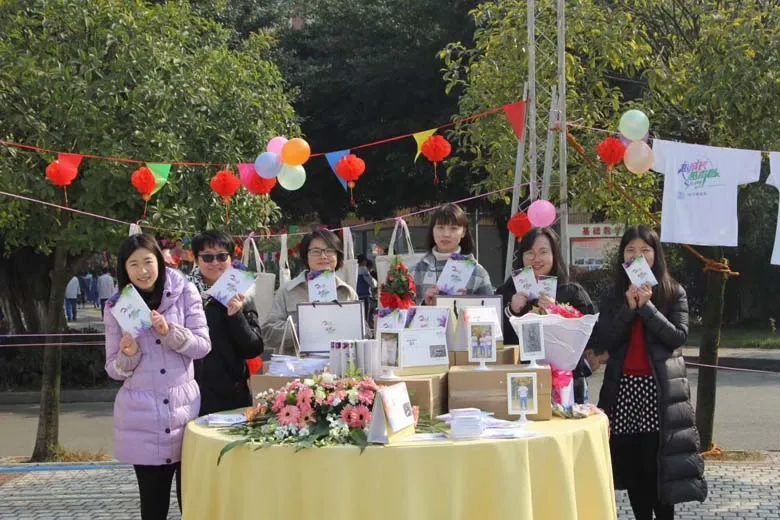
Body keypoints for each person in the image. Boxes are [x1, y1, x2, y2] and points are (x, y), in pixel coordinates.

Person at [597, 225, 706, 520]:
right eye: (630, 250)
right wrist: (629, 308)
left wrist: (648, 309)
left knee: (658, 468)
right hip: (623, 391)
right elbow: (606, 337)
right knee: (632, 469)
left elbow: (677, 337)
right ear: (623, 255)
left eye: (644, 250)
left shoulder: (673, 292)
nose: (637, 256)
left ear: (655, 255)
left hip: (659, 391)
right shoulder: (616, 294)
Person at [104, 234, 210, 520]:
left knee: (193, 502)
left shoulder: (185, 291)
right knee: (153, 506)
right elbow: (113, 369)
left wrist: (169, 332)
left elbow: (202, 346)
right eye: (133, 264)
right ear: (123, 269)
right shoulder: (118, 306)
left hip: (185, 414)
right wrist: (129, 353)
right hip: (143, 420)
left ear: (160, 262)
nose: (142, 271)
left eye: (148, 262)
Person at [495, 227, 597, 402]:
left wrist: (558, 310)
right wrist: (511, 311)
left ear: (554, 255)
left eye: (543, 252)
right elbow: (495, 337)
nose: (536, 259)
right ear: (522, 256)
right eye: (530, 253)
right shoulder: (507, 292)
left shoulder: (572, 291)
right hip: (520, 381)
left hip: (567, 383)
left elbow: (590, 333)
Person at [189, 231, 264, 416]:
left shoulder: (243, 294)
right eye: (207, 257)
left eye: (222, 256)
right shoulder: (183, 294)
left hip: (232, 393)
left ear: (231, 258)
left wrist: (236, 315)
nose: (215, 263)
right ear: (196, 260)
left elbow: (254, 348)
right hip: (190, 391)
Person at [261, 230, 359, 354]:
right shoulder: (287, 291)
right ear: (306, 256)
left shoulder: (348, 293)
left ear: (337, 256)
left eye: (329, 251)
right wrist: (304, 328)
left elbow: (362, 334)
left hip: (338, 368)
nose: (323, 256)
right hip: (297, 369)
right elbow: (268, 334)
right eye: (316, 251)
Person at [412, 203, 493, 305]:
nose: (446, 234)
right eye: (440, 227)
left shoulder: (477, 273)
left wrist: (468, 304)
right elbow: (403, 316)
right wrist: (425, 304)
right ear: (432, 230)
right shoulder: (415, 271)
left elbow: (492, 313)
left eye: (453, 228)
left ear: (463, 232)